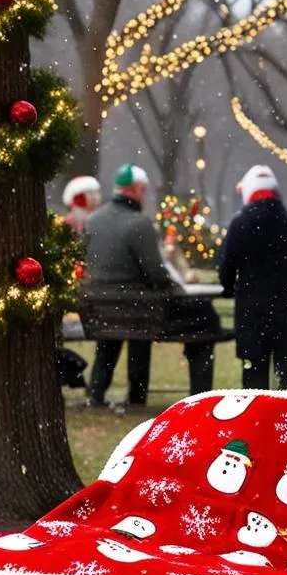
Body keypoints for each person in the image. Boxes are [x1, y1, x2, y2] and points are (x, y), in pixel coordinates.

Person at [83, 164, 179, 408]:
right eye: (143, 191)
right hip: (137, 310)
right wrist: (170, 285)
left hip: (99, 308)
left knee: (108, 342)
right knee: (139, 333)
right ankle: (137, 396)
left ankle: (96, 392)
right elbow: (156, 273)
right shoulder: (139, 224)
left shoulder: (93, 221)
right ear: (136, 189)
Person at [219, 165, 287, 389]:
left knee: (254, 374)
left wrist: (229, 289)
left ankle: (255, 420)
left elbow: (227, 269)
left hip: (252, 313)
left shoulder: (239, 225)